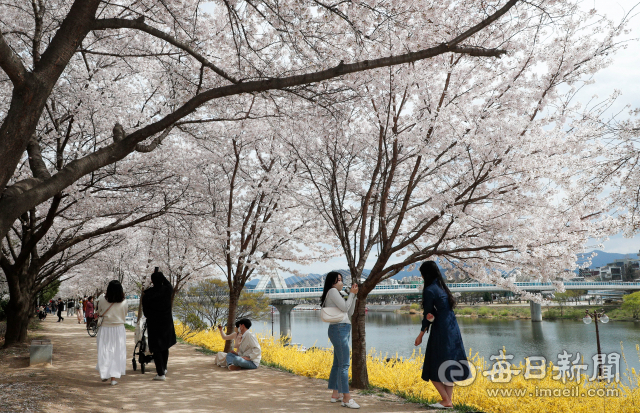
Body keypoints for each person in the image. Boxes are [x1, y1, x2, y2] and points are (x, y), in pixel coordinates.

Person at [414, 261, 471, 409]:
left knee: (433, 366)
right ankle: (448, 401)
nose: (420, 276)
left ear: (426, 274)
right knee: (449, 365)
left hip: (441, 331)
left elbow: (428, 314)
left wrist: (420, 334)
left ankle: (446, 400)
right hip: (453, 328)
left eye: (421, 273)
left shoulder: (430, 290)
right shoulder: (443, 288)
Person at [320, 271, 359, 409]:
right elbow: (344, 307)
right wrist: (352, 294)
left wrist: (353, 296)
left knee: (338, 363)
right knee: (344, 365)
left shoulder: (338, 293)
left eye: (341, 279)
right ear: (332, 282)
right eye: (338, 280)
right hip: (339, 329)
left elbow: (349, 312)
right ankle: (347, 398)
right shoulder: (332, 291)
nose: (341, 282)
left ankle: (335, 394)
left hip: (342, 328)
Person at [142, 268, 177, 381]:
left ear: (152, 281)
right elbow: (168, 284)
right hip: (166, 322)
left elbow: (146, 312)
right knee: (165, 345)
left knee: (156, 347)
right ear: (162, 279)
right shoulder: (167, 290)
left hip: (154, 323)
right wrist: (162, 277)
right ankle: (164, 368)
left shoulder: (147, 294)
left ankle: (161, 373)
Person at [95, 280, 128, 386]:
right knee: (117, 352)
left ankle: (105, 373)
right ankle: (113, 378)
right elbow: (125, 314)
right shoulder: (124, 302)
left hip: (105, 328)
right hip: (119, 329)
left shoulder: (102, 299)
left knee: (105, 351)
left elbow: (99, 311)